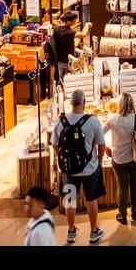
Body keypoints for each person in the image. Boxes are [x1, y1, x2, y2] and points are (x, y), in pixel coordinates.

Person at [52, 88, 106, 244]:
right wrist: (99, 161)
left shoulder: (60, 121)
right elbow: (101, 145)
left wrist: (62, 159)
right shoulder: (93, 121)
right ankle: (94, 231)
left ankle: (71, 232)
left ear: (70, 103)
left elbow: (55, 145)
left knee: (70, 200)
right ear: (84, 103)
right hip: (90, 169)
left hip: (68, 170)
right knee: (91, 199)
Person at [103, 92, 136, 226]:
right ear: (132, 104)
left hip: (119, 159)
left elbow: (100, 134)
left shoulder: (112, 119)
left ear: (120, 104)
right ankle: (135, 212)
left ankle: (122, 215)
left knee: (122, 186)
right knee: (135, 185)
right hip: (135, 159)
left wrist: (106, 147)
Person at [51, 10, 78, 83]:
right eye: (74, 21)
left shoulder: (57, 29)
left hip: (59, 60)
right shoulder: (68, 32)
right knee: (67, 81)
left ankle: (58, 92)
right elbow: (83, 34)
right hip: (66, 61)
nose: (75, 22)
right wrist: (87, 25)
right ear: (69, 21)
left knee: (60, 80)